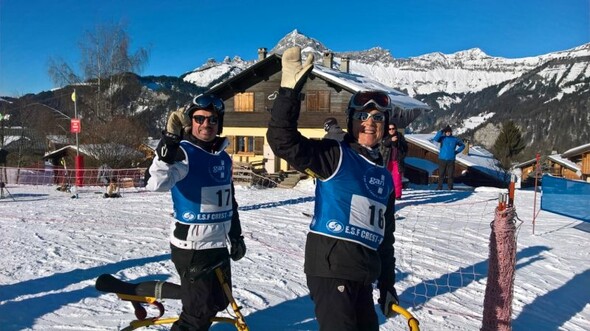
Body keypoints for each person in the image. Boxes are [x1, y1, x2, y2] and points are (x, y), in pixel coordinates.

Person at [267, 46, 398, 331]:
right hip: (331, 268)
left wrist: (387, 285)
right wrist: (289, 91)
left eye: (377, 117)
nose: (369, 123)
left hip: (363, 274)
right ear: (350, 121)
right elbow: (282, 141)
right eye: (362, 115)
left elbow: (385, 238)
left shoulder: (384, 177)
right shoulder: (335, 154)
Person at [146, 94, 246, 331]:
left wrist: (236, 235)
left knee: (218, 301)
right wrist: (169, 144)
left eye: (212, 119)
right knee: (197, 313)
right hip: (193, 246)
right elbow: (155, 183)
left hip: (218, 242)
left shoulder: (223, 156)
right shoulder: (183, 152)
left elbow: (229, 201)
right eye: (199, 118)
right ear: (191, 122)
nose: (206, 124)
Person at [433, 125, 465, 190]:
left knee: (450, 175)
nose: (448, 133)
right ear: (445, 132)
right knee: (441, 174)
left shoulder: (455, 139)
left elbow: (462, 145)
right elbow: (435, 139)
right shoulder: (442, 138)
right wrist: (441, 131)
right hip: (442, 159)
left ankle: (450, 187)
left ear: (451, 132)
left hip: (451, 159)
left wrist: (456, 152)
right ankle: (439, 187)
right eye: (446, 132)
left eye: (449, 132)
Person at [381, 123, 408, 199]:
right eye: (390, 129)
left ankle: (397, 195)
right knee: (385, 179)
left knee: (397, 179)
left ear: (395, 129)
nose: (391, 130)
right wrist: (391, 140)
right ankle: (386, 194)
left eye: (393, 128)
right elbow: (384, 144)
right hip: (387, 161)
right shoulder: (385, 136)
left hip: (397, 161)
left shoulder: (400, 137)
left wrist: (402, 156)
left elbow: (405, 148)